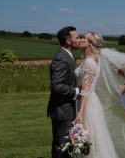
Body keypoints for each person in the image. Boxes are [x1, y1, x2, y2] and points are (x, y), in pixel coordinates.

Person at [74, 31, 118, 158]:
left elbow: (86, 90)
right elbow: (96, 86)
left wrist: (81, 113)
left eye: (84, 38)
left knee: (89, 137)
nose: (81, 39)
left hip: (87, 104)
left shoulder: (89, 62)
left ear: (90, 43)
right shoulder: (94, 60)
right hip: (92, 100)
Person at [46, 26, 81, 158]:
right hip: (62, 111)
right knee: (62, 147)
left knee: (67, 146)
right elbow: (57, 86)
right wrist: (76, 90)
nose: (79, 40)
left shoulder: (68, 56)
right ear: (68, 41)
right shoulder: (61, 58)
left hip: (67, 109)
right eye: (77, 38)